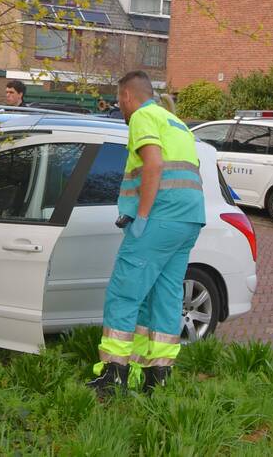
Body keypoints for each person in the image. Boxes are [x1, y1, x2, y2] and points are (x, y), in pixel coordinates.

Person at [86, 71, 205, 397]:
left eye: (118, 101)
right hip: (190, 220)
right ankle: (157, 377)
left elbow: (152, 164)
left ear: (126, 96)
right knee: (165, 299)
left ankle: (113, 376)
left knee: (124, 293)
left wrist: (141, 215)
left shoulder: (142, 117)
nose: (120, 108)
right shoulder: (175, 122)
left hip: (159, 219)